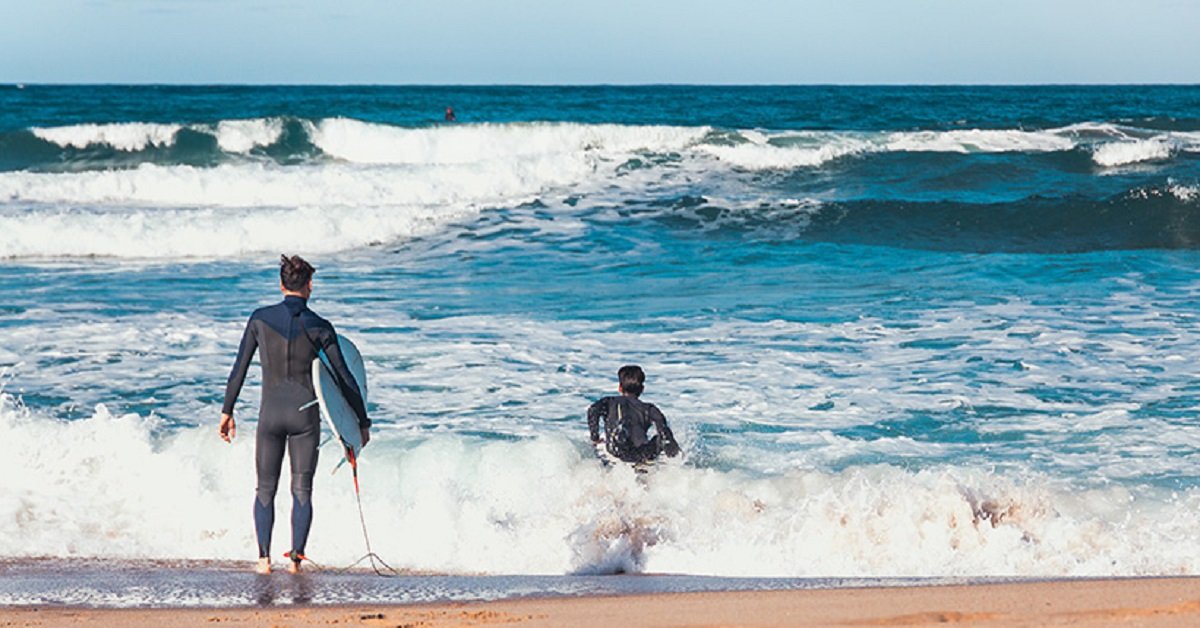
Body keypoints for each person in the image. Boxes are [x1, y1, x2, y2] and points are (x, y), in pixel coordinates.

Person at [219, 255, 370, 574]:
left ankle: (263, 560)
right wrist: (361, 423)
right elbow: (344, 378)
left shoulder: (259, 320)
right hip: (304, 421)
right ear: (310, 286)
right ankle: (296, 561)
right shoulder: (320, 327)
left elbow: (240, 368)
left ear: (281, 284)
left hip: (270, 416)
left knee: (264, 489)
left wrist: (227, 410)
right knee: (302, 489)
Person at [587, 365, 681, 464]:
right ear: (642, 389)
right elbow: (663, 429)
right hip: (641, 454)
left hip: (616, 450)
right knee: (661, 438)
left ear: (620, 388)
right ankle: (675, 462)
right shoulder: (649, 409)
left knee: (617, 439)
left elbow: (592, 411)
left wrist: (595, 438)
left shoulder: (609, 402)